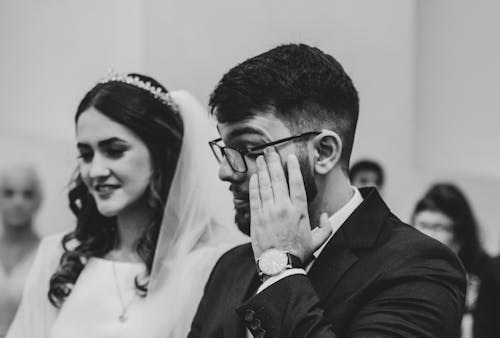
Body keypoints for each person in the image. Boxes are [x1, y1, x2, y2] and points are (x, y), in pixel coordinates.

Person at [188, 43, 466, 338]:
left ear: (323, 152)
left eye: (249, 149)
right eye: (226, 150)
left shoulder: (420, 267)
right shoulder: (230, 267)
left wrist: (280, 270)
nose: (225, 171)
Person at [6, 71, 244, 338]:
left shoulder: (205, 264)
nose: (95, 170)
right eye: (86, 154)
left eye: (115, 151)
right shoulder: (59, 258)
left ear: (159, 153)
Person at [412, 183, 492, 338]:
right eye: (422, 225)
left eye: (439, 227)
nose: (427, 235)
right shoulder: (402, 272)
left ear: (460, 236)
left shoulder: (487, 276)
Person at [0, 164, 42, 338]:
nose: (18, 202)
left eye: (27, 194)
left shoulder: (49, 255)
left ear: (38, 201)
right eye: (9, 193)